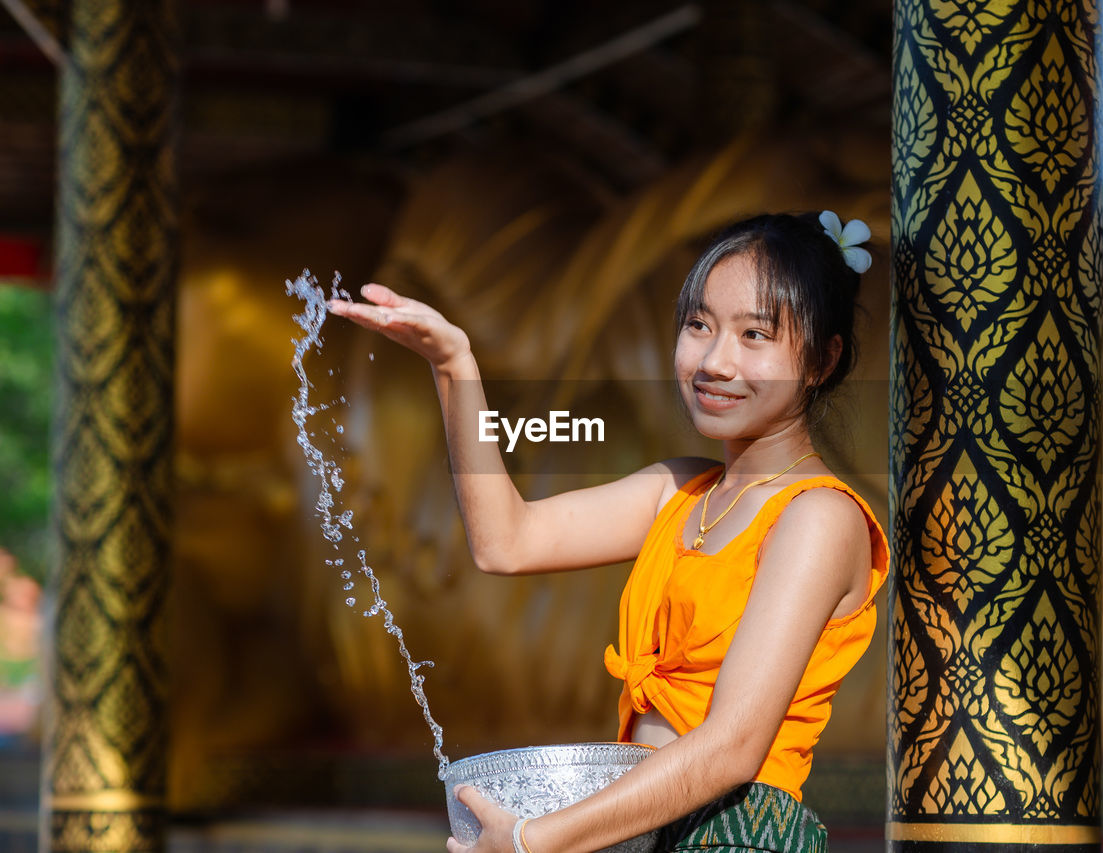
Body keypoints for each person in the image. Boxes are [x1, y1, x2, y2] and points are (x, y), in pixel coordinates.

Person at [328, 210, 889, 853]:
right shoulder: (678, 491)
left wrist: (532, 842)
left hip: (737, 837)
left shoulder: (818, 516)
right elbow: (505, 542)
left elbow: (733, 747)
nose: (715, 360)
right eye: (699, 326)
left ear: (822, 360)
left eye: (755, 334)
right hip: (641, 833)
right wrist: (455, 365)